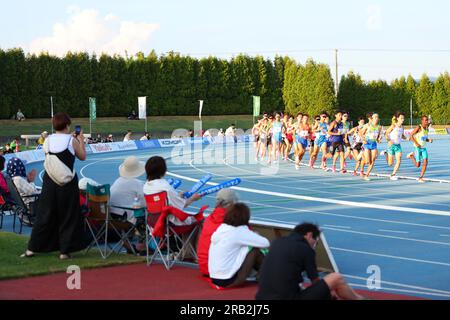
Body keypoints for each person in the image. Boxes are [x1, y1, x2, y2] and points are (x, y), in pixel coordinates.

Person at [21, 112, 87, 260]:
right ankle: (64, 251)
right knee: (68, 215)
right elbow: (82, 156)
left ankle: (32, 248)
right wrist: (81, 140)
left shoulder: (48, 141)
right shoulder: (71, 141)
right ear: (68, 125)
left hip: (50, 181)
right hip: (67, 182)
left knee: (45, 214)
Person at [256, 223, 364, 300]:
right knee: (336, 278)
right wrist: (329, 292)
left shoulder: (277, 242)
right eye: (316, 243)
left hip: (261, 298)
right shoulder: (306, 249)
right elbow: (315, 280)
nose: (314, 246)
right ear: (309, 235)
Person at [209, 203, 270, 288]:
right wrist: (255, 234)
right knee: (254, 250)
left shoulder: (221, 228)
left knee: (245, 247)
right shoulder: (239, 231)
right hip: (228, 280)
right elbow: (265, 243)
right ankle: (266, 275)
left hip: (214, 278)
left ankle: (263, 274)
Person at [143, 156, 202, 226]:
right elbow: (181, 206)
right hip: (169, 223)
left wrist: (178, 196)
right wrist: (193, 198)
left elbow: (161, 201)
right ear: (163, 170)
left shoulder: (146, 186)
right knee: (200, 220)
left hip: (153, 222)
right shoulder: (165, 187)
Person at [197, 189, 239, 277]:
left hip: (204, 267)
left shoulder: (209, 218)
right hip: (220, 270)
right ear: (232, 203)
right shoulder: (233, 221)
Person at [110, 156, 146, 224]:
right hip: (125, 218)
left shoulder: (117, 181)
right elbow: (144, 203)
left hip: (111, 216)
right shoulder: (137, 183)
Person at [381, 112, 409, 180]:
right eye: (401, 118)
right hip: (391, 146)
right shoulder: (393, 126)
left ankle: (393, 174)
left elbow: (402, 135)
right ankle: (386, 153)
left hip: (398, 146)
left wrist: (406, 138)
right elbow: (386, 133)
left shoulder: (402, 127)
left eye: (403, 118)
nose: (403, 119)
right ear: (397, 118)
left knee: (399, 161)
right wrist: (389, 140)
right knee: (390, 164)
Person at [407, 115, 433, 183]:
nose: (426, 121)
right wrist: (416, 143)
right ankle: (411, 156)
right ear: (422, 121)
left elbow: (423, 138)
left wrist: (428, 140)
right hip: (417, 148)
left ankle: (421, 177)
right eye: (425, 120)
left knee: (425, 162)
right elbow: (411, 135)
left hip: (423, 148)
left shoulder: (427, 129)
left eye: (427, 120)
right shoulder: (419, 127)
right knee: (418, 165)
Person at [359, 112, 382, 181]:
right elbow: (360, 133)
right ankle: (362, 155)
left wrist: (378, 140)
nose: (376, 118)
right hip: (367, 144)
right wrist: (363, 140)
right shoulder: (367, 126)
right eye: (375, 117)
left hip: (374, 144)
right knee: (367, 162)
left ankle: (366, 175)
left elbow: (378, 136)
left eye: (377, 117)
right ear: (372, 118)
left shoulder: (379, 127)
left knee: (373, 160)